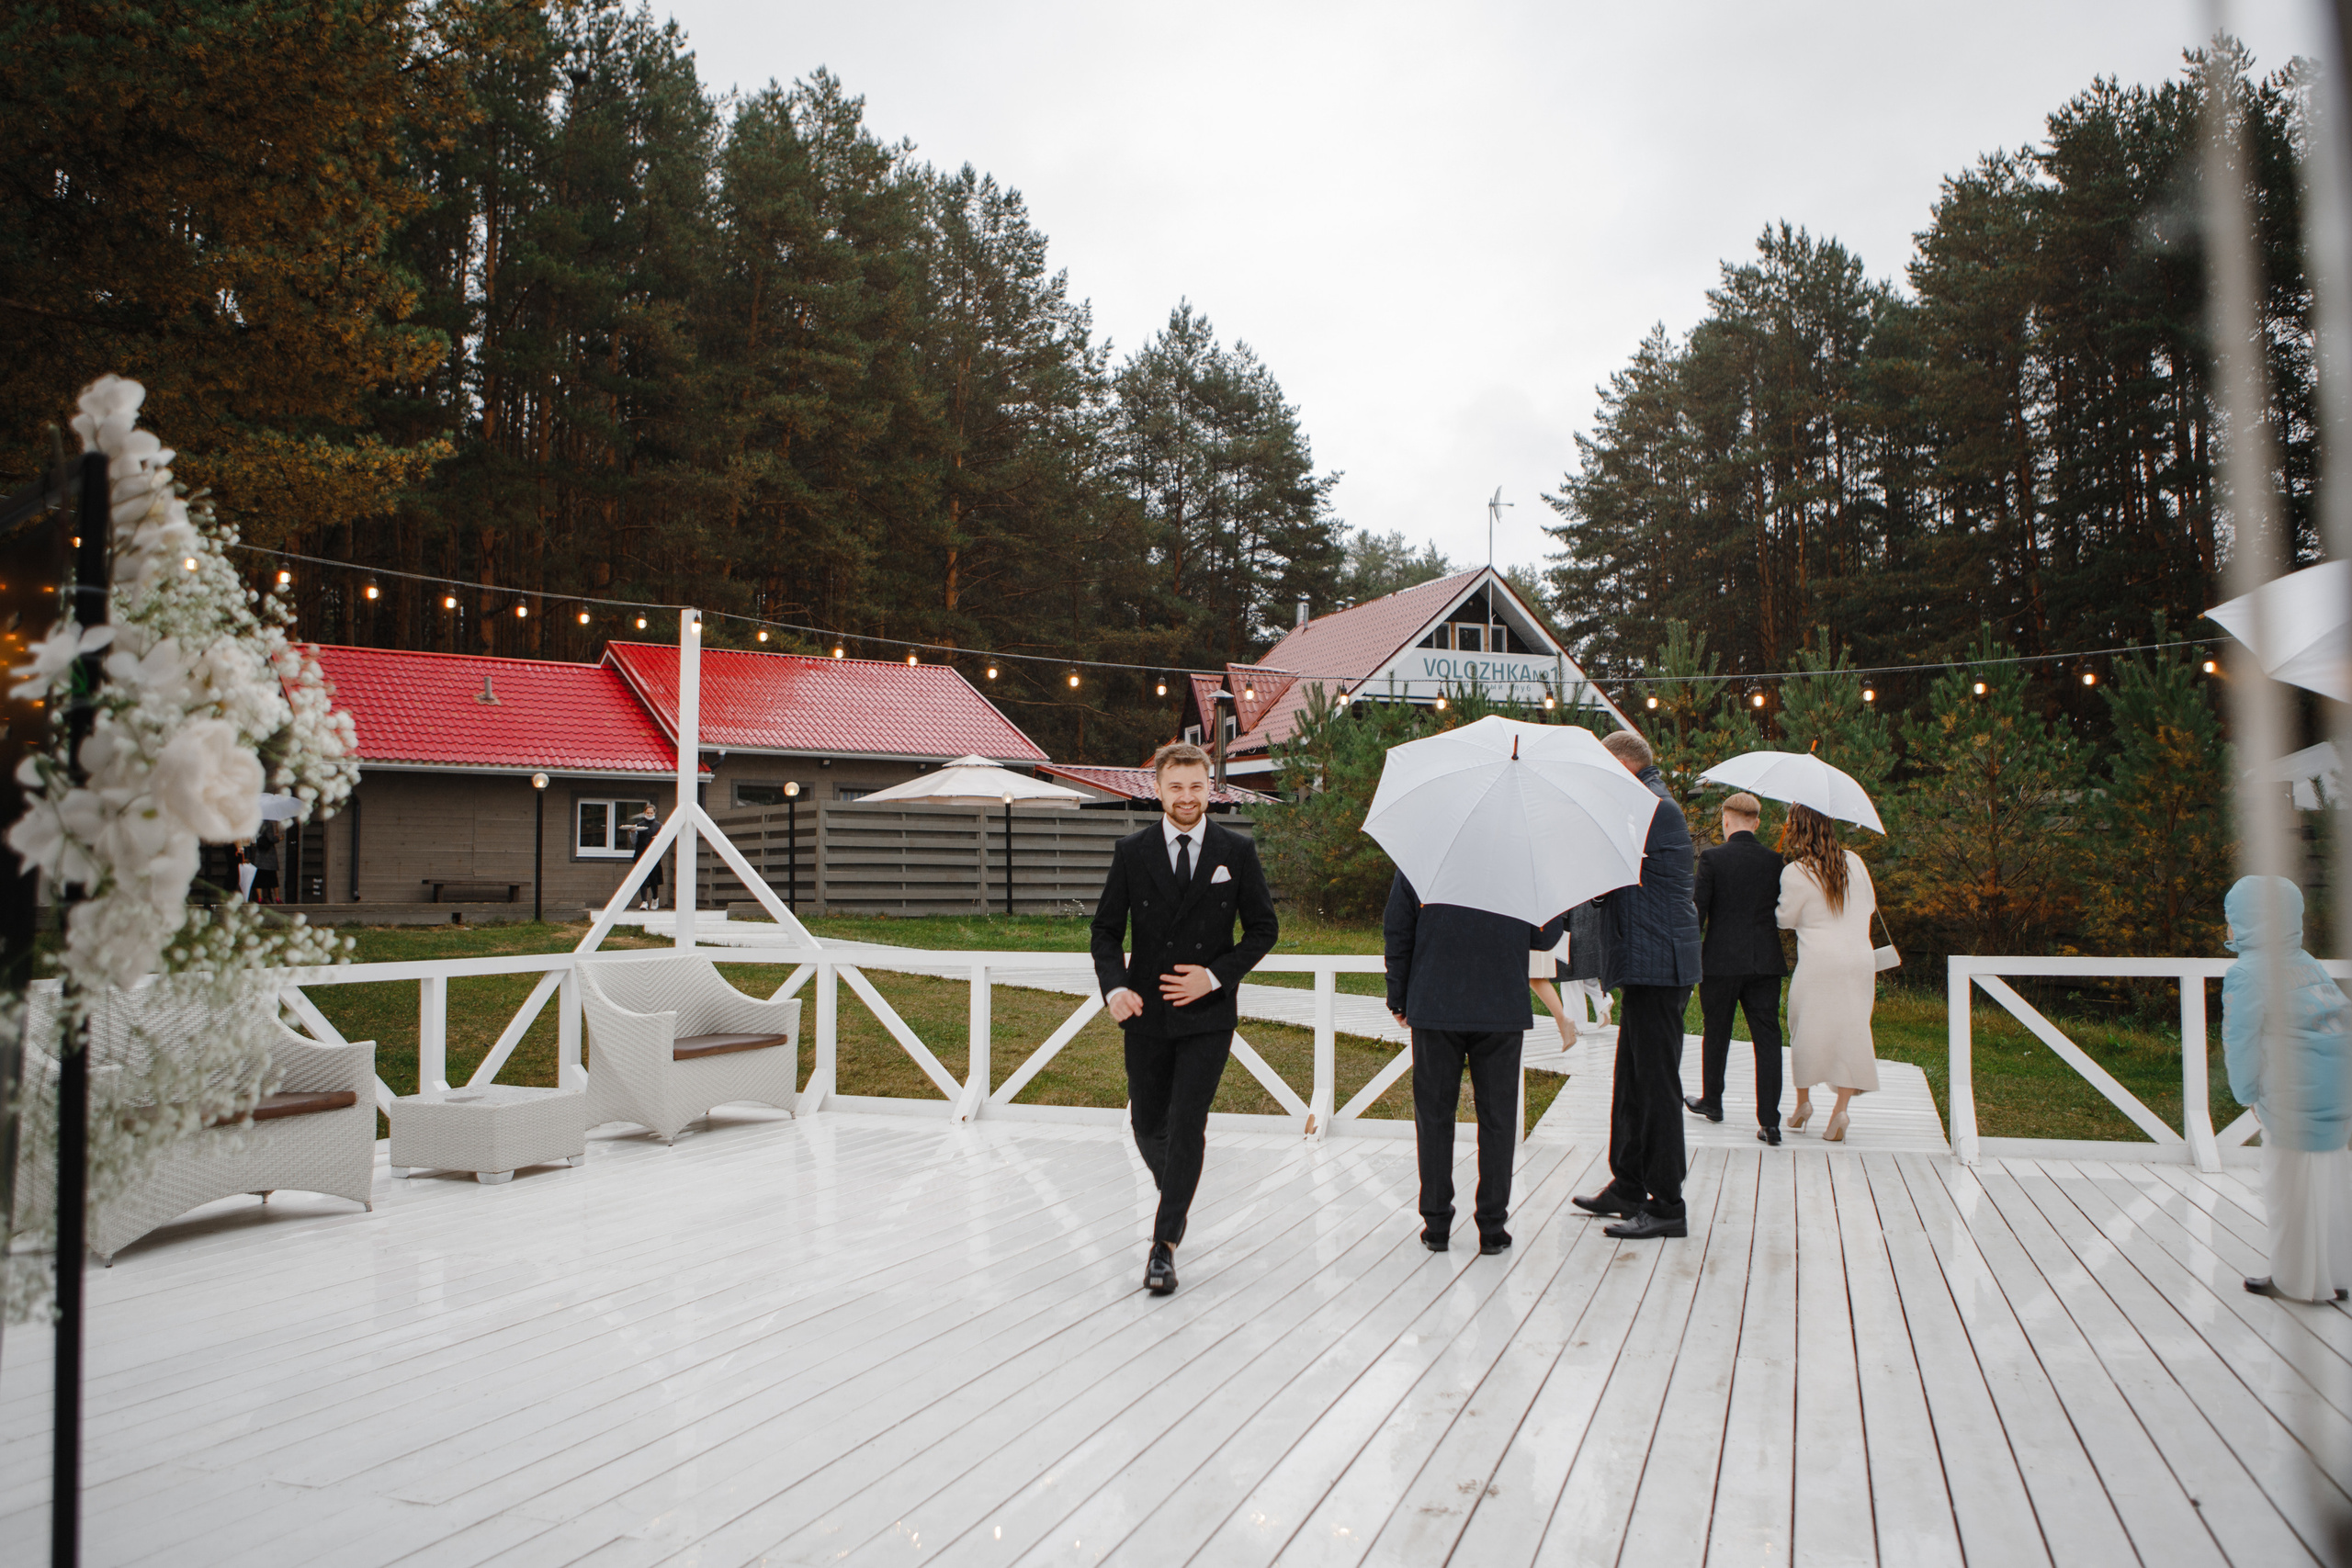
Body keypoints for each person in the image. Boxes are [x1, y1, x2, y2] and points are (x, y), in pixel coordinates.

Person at [1090, 740, 1278, 1297]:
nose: (1188, 797)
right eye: (1176, 787)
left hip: (1208, 1017)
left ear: (1209, 789)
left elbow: (1264, 930)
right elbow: (1104, 932)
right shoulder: (1132, 851)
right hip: (1145, 1012)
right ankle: (1178, 1191)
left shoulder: (1235, 852)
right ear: (1159, 790)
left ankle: (1163, 1245)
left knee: (1188, 1121)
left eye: (1197, 786)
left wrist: (1214, 977)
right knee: (1147, 1124)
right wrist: (1114, 987)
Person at [1385, 875, 1564, 1253]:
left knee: (1433, 1116)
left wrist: (1399, 996)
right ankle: (1492, 1226)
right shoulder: (1519, 866)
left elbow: (1398, 930)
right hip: (1501, 1005)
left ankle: (1435, 1224)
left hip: (1436, 1002)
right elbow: (1543, 939)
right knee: (1498, 1118)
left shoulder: (1425, 862)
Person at [1573, 728, 1702, 1239]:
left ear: (1625, 765)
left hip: (1659, 965)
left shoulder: (1652, 809)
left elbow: (1613, 873)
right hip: (1647, 962)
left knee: (1657, 1087)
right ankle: (1627, 1183)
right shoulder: (1641, 807)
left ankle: (1667, 1203)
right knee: (1631, 1080)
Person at [2221, 875, 2352, 1303]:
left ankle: (2295, 1280)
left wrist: (2247, 1095)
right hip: (2335, 1089)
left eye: (2230, 918)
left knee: (2288, 1190)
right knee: (2330, 1187)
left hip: (2295, 1096)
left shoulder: (2246, 974)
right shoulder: (2306, 961)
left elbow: (2239, 1042)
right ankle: (2335, 1274)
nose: (2226, 927)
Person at [1688, 793, 1788, 1145]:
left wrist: (1685, 957)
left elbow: (1698, 911)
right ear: (1757, 822)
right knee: (1768, 1038)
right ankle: (1770, 1122)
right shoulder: (1776, 860)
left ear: (1725, 820)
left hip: (1721, 960)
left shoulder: (1713, 858)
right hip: (1765, 960)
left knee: (1717, 1032)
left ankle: (1712, 1101)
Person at [1775, 803, 1878, 1142]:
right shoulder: (1855, 862)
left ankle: (1803, 1104)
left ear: (1798, 830)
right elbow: (1871, 906)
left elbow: (1785, 920)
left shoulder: (1796, 872)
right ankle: (1841, 1111)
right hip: (1860, 959)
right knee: (1852, 1030)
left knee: (1804, 1027)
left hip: (1820, 962)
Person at [1528, 920, 1577, 1053]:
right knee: (1534, 976)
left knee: (1534, 975)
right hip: (1538, 927)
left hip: (1532, 929)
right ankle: (1562, 1021)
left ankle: (1563, 1020)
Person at [630, 804, 663, 910]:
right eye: (647, 812)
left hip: (654, 855)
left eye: (651, 813)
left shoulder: (659, 826)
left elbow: (664, 841)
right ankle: (644, 901)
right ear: (644, 813)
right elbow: (634, 842)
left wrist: (658, 839)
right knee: (642, 879)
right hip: (641, 854)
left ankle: (655, 899)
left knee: (654, 879)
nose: (649, 814)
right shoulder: (639, 825)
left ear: (655, 813)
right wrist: (632, 833)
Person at [249, 820, 280, 904]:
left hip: (259, 854)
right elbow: (271, 838)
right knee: (272, 878)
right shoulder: (268, 824)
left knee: (259, 877)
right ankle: (277, 898)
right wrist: (277, 838)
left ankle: (260, 898)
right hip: (268, 855)